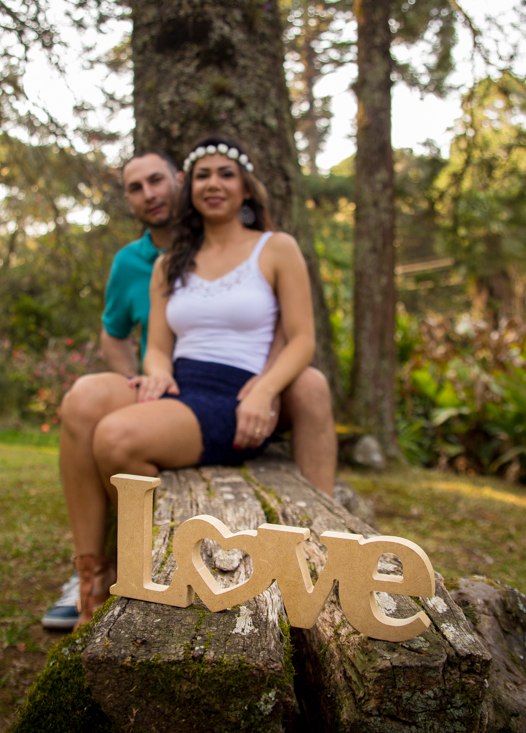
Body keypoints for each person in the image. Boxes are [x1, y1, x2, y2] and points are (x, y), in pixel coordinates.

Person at [48, 134, 331, 627]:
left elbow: (303, 340)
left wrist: (264, 390)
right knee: (83, 397)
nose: (214, 183)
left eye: (226, 174)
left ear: (246, 189)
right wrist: (156, 374)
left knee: (116, 438)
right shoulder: (168, 263)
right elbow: (157, 347)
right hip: (182, 385)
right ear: (189, 190)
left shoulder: (276, 248)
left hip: (238, 392)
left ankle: (173, 554)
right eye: (203, 175)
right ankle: (92, 571)